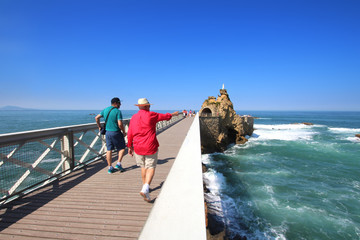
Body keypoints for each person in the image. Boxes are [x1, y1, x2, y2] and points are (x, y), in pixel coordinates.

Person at [127, 98, 179, 202]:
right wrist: (174, 114)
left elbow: (130, 133)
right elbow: (165, 116)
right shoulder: (151, 115)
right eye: (149, 106)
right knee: (150, 167)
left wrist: (129, 146)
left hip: (137, 146)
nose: (150, 107)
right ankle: (145, 188)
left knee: (143, 167)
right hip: (150, 145)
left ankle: (145, 186)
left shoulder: (133, 117)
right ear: (146, 106)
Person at [95, 97, 126, 174]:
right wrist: (124, 131)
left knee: (109, 150)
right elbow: (120, 124)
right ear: (116, 103)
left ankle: (110, 167)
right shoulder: (117, 111)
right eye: (119, 103)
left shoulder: (105, 110)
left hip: (107, 133)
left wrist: (99, 127)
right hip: (116, 132)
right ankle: (118, 164)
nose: (120, 104)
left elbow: (96, 117)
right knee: (122, 148)